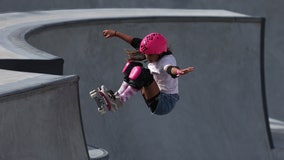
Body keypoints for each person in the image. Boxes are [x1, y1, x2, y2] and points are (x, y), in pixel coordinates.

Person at [99, 29, 194, 115]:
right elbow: (133, 41)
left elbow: (169, 69)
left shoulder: (167, 60)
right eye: (146, 54)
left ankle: (121, 100)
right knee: (132, 65)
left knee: (144, 74)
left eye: (150, 55)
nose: (147, 58)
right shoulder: (151, 50)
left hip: (165, 102)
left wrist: (178, 71)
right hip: (157, 95)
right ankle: (117, 96)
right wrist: (115, 33)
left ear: (159, 52)